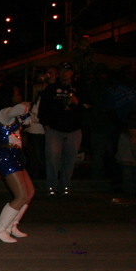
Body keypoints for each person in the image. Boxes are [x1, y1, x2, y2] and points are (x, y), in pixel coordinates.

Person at [0, 83, 34, 243]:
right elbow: (22, 108)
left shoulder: (11, 114)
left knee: (29, 192)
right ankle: (0, 229)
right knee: (21, 195)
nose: (20, 95)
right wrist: (29, 106)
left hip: (15, 154)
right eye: (17, 92)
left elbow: (27, 117)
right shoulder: (4, 113)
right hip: (6, 154)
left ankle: (11, 225)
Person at [38, 61, 90, 196]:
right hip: (54, 129)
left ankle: (65, 185)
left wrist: (77, 102)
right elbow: (43, 109)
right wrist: (46, 125)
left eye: (67, 71)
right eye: (61, 70)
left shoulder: (80, 88)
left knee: (70, 159)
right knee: (52, 158)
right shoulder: (51, 89)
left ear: (72, 73)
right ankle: (51, 186)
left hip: (73, 129)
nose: (64, 73)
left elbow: (89, 106)